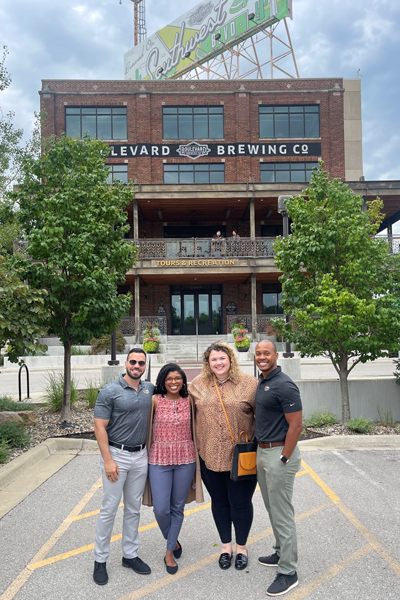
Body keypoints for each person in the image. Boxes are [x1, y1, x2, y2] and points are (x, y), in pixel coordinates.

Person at [189, 342, 258, 571]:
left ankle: (242, 547)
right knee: (219, 503)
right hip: (209, 456)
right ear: (208, 363)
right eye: (214, 359)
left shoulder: (249, 384)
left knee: (240, 503)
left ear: (231, 360)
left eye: (222, 358)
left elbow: (263, 417)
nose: (218, 363)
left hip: (241, 458)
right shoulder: (198, 385)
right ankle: (225, 547)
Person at [92, 348, 154, 586]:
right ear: (126, 363)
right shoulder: (109, 391)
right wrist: (108, 460)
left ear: (145, 366)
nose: (136, 366)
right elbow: (99, 427)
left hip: (140, 455)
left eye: (141, 363)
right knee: (109, 509)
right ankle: (100, 560)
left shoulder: (149, 389)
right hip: (116, 455)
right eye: (133, 362)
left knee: (133, 508)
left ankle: (129, 555)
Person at [143, 363, 204, 575]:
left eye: (178, 378)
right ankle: (174, 541)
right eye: (169, 378)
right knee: (161, 508)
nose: (174, 382)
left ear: (183, 381)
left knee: (177, 507)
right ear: (163, 381)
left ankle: (169, 552)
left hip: (185, 458)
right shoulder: (155, 400)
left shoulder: (190, 401)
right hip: (159, 458)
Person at [254, 340, 303, 597]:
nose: (262, 357)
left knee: (282, 512)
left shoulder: (284, 385)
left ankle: (288, 572)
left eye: (267, 353)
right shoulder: (263, 381)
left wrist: (284, 457)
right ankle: (280, 551)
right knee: (272, 507)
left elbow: (296, 426)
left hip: (280, 453)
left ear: (275, 355)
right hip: (264, 451)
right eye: (259, 353)